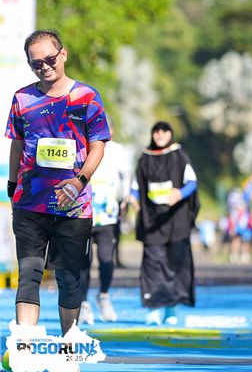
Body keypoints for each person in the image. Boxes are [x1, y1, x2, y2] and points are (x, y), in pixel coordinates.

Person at [6, 29, 110, 343]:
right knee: (29, 274)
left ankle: (69, 342)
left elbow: (98, 146)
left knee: (69, 279)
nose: (44, 67)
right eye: (36, 63)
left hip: (73, 207)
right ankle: (24, 346)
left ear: (63, 54)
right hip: (30, 203)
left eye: (49, 59)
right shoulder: (22, 99)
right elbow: (17, 144)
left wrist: (80, 181)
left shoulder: (87, 97)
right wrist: (12, 185)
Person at [131, 121, 198, 326]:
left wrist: (180, 194)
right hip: (152, 221)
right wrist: (133, 197)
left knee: (174, 263)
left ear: (170, 134)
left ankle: (170, 309)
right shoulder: (145, 158)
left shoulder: (179, 155)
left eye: (164, 131)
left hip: (176, 221)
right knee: (152, 265)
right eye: (156, 131)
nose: (160, 134)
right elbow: (136, 186)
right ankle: (153, 309)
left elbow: (192, 182)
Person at [78, 139, 130, 325]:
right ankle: (83, 303)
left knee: (106, 259)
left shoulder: (117, 150)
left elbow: (125, 176)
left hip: (108, 215)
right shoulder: (80, 144)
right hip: (83, 213)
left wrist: (124, 199)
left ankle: (104, 296)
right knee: (84, 262)